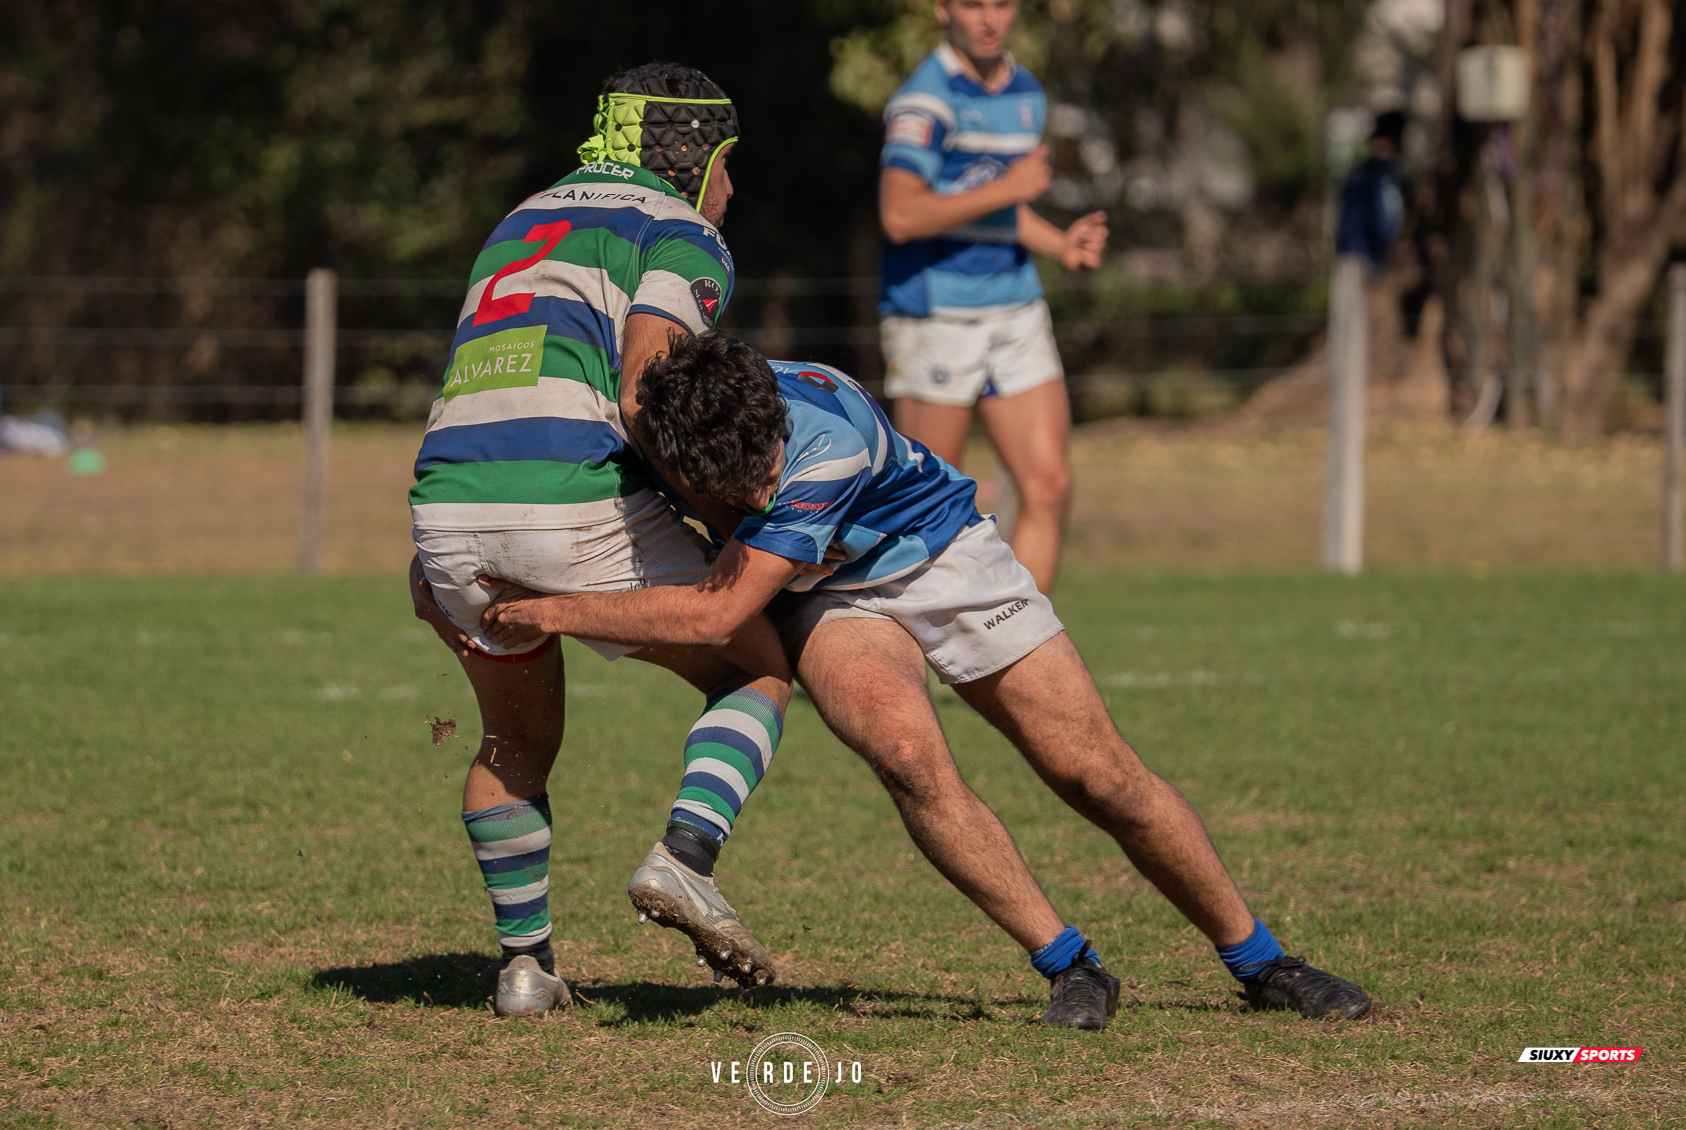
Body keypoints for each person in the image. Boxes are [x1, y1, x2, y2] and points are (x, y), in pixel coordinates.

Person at [474, 333, 1374, 1029]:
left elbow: (714, 612)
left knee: (1094, 771)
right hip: (832, 601)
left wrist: (553, 611)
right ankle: (1070, 964)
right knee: (906, 757)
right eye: (733, 483)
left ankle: (1261, 962)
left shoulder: (821, 443)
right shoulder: (669, 427)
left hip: (945, 560)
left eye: (764, 471)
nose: (759, 492)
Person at [407, 63, 792, 1018]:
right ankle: (686, 858)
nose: (732, 188)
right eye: (729, 164)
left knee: (513, 737)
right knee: (755, 667)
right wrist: (716, 515)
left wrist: (433, 546)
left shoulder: (520, 218)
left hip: (448, 505)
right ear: (695, 155)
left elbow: (479, 379)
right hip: (572, 500)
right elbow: (643, 387)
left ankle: (527, 970)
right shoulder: (679, 230)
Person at [877, 0, 1108, 594]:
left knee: (1048, 483)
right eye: (974, 4)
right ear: (943, 7)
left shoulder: (1026, 94)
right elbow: (901, 215)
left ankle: (1017, 653)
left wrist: (1059, 244)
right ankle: (898, 665)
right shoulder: (924, 101)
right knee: (928, 506)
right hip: (936, 313)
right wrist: (1012, 189)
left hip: (1014, 304)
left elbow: (991, 207)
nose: (989, 19)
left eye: (1003, 3)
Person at [1336, 110, 1405, 269]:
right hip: (1365, 260)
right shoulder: (1378, 175)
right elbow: (1387, 223)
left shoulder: (1364, 172)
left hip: (1354, 255)